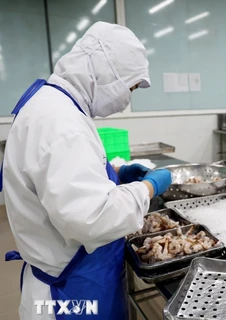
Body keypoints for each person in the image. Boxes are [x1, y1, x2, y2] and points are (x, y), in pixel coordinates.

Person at [2, 22, 172, 319]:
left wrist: (116, 174)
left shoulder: (53, 104)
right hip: (69, 296)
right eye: (128, 87)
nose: (127, 98)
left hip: (71, 275)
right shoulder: (60, 123)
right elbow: (94, 218)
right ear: (105, 72)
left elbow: (63, 184)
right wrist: (148, 188)